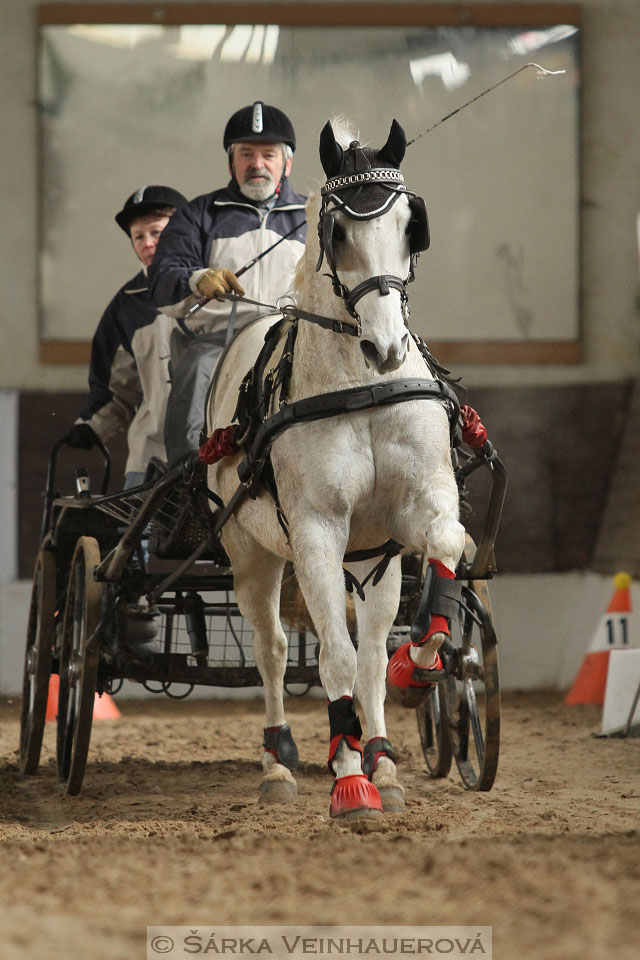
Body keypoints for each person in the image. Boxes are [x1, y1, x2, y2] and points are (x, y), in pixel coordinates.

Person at [148, 101, 307, 464]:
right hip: (220, 343)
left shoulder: (311, 217)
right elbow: (161, 279)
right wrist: (198, 279)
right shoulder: (199, 214)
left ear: (287, 162)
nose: (257, 164)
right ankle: (185, 481)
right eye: (246, 154)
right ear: (230, 161)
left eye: (269, 154)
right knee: (197, 367)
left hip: (293, 343)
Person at [67, 185, 187, 487]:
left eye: (157, 233)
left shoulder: (214, 288)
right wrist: (92, 427)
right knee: (144, 536)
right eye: (138, 236)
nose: (148, 244)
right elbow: (115, 389)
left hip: (218, 453)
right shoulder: (125, 306)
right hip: (150, 458)